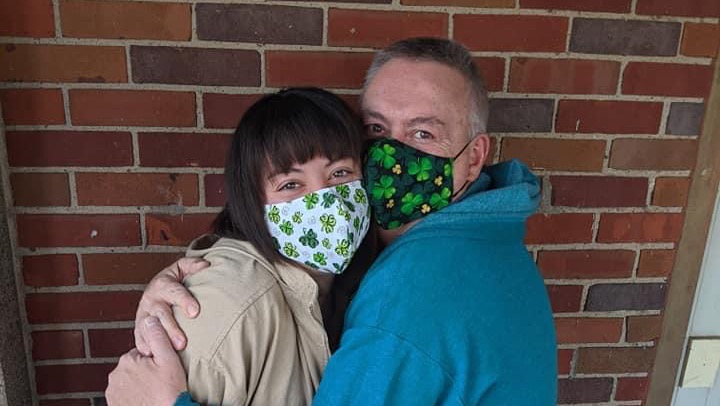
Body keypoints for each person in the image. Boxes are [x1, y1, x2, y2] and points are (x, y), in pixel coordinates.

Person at [108, 37, 557, 405]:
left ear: (474, 157)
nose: (392, 156)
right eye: (376, 130)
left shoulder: (412, 292)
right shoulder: (490, 241)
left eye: (423, 133)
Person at [106, 87, 373, 405]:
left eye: (340, 173)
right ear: (252, 202)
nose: (325, 200)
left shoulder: (360, 279)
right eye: (290, 184)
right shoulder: (230, 305)